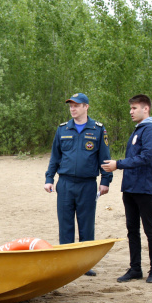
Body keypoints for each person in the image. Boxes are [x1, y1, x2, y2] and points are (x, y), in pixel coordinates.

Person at [44, 93, 112, 276]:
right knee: (65, 224)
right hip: (65, 183)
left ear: (86, 107)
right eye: (71, 106)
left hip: (87, 184)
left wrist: (105, 181)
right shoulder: (63, 129)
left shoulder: (97, 129)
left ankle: (84, 265)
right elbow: (55, 158)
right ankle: (67, 264)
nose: (73, 109)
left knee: (86, 225)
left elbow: (105, 159)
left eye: (77, 105)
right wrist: (49, 178)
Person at [101, 94, 152, 283]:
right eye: (130, 108)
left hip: (145, 188)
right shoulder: (139, 130)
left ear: (146, 109)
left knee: (149, 229)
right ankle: (135, 268)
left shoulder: (151, 130)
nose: (131, 112)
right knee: (132, 229)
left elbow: (146, 157)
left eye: (134, 108)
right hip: (130, 188)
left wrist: (118, 164)